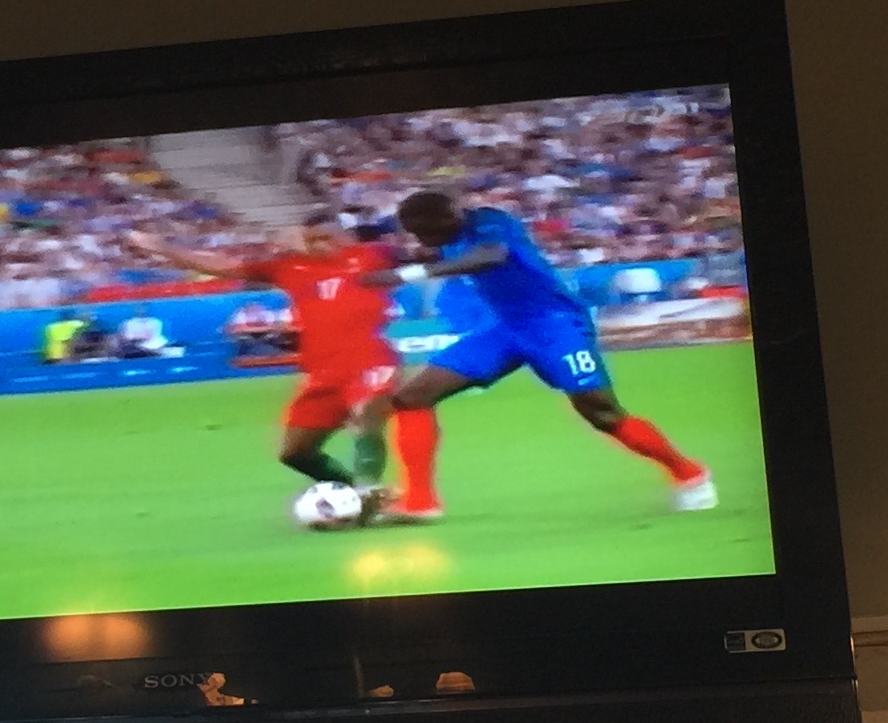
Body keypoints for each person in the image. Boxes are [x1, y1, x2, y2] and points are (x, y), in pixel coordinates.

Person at [371, 190, 714, 521]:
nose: (421, 241)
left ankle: (690, 474)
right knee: (412, 397)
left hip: (555, 324)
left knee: (603, 413)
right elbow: (449, 257)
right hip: (505, 327)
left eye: (424, 234)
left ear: (447, 220)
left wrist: (408, 274)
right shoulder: (448, 237)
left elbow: (491, 256)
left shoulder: (490, 222)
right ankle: (420, 502)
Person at [130, 213, 399, 515]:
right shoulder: (289, 267)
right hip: (322, 372)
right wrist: (162, 248)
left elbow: (423, 249)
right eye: (312, 240)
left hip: (370, 359)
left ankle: (368, 494)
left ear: (345, 235)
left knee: (366, 414)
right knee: (294, 453)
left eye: (327, 237)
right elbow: (224, 266)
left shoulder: (371, 256)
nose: (320, 245)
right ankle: (360, 496)